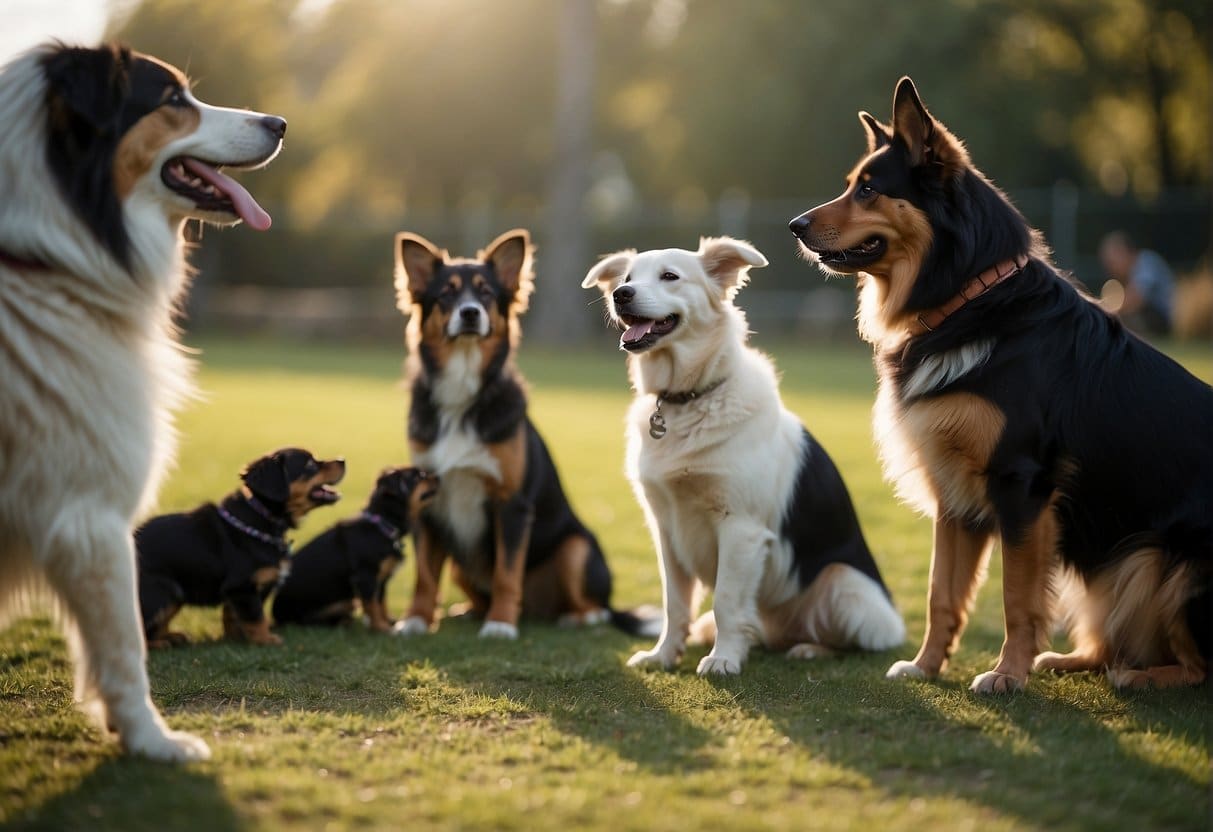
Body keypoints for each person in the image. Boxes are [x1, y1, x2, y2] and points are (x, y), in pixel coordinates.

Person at [1098, 231, 1175, 336]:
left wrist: (1105, 310)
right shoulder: (1130, 273)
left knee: (1128, 316)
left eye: (1113, 261)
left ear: (1125, 252)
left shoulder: (1146, 261)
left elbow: (1137, 298)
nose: (1111, 267)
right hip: (1156, 317)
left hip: (1169, 318)